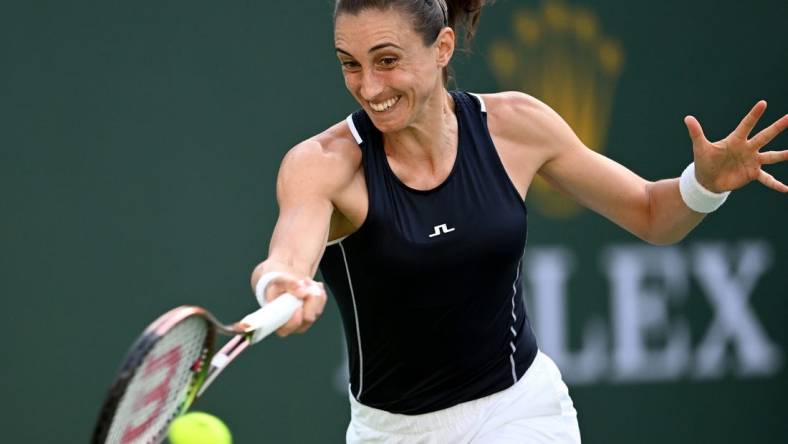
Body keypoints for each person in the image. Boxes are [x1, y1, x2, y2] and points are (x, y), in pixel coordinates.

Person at [249, 0, 788, 442]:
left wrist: (703, 184)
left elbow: (652, 213)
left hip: (520, 414)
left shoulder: (516, 125)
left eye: (386, 60)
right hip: (390, 432)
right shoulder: (322, 164)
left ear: (442, 48)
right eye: (350, 63)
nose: (368, 87)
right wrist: (283, 285)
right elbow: (287, 257)